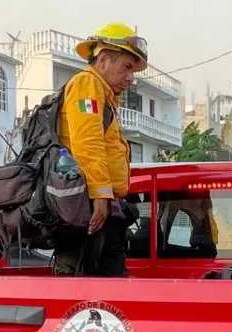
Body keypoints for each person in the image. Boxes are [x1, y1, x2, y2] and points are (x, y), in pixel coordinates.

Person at [51, 23, 146, 277]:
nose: (130, 78)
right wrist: (101, 196)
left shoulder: (103, 95)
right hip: (90, 208)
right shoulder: (87, 84)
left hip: (99, 207)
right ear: (103, 59)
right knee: (92, 287)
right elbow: (88, 142)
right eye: (127, 67)